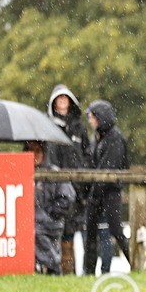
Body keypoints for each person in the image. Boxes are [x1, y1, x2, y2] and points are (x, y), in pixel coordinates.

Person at [83, 99, 130, 276]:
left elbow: (108, 168)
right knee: (91, 232)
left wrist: (94, 192)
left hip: (110, 192)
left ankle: (135, 263)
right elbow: (92, 164)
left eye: (93, 117)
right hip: (97, 192)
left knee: (116, 231)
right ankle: (88, 271)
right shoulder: (96, 138)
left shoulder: (115, 138)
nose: (90, 120)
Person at [46, 85, 89, 275]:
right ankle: (55, 270)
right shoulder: (48, 126)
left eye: (65, 99)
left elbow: (87, 153)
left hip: (77, 185)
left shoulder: (79, 127)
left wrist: (83, 175)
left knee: (71, 232)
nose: (62, 103)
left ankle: (70, 271)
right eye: (59, 99)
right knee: (55, 229)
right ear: (54, 103)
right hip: (55, 184)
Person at [25, 140, 75, 276]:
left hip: (49, 223)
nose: (34, 155)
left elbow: (67, 198)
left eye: (37, 151)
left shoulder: (53, 173)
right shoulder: (21, 173)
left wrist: (51, 213)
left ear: (44, 153)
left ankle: (53, 267)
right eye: (30, 151)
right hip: (27, 223)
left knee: (38, 233)